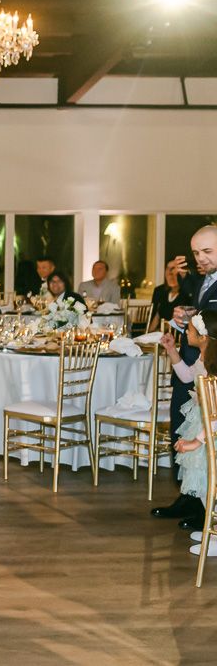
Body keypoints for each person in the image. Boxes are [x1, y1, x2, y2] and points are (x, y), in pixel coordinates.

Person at [153, 226, 217, 524]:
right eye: (196, 252)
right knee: (182, 430)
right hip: (190, 370)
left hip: (211, 371)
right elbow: (196, 319)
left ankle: (207, 507)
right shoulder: (198, 280)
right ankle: (189, 496)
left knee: (206, 439)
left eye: (207, 251)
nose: (200, 259)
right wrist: (180, 320)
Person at [164, 310, 217, 551]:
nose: (187, 332)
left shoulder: (214, 367)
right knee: (204, 480)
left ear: (204, 337)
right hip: (201, 421)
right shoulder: (202, 358)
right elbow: (187, 376)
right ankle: (212, 531)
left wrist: (197, 440)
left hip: (209, 428)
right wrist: (172, 350)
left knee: (210, 480)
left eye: (191, 330)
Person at [147, 258, 193, 335]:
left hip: (178, 338)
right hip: (160, 336)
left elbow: (184, 321)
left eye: (173, 269)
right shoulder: (162, 292)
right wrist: (148, 335)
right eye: (167, 269)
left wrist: (160, 333)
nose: (169, 273)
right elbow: (156, 316)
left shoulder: (188, 294)